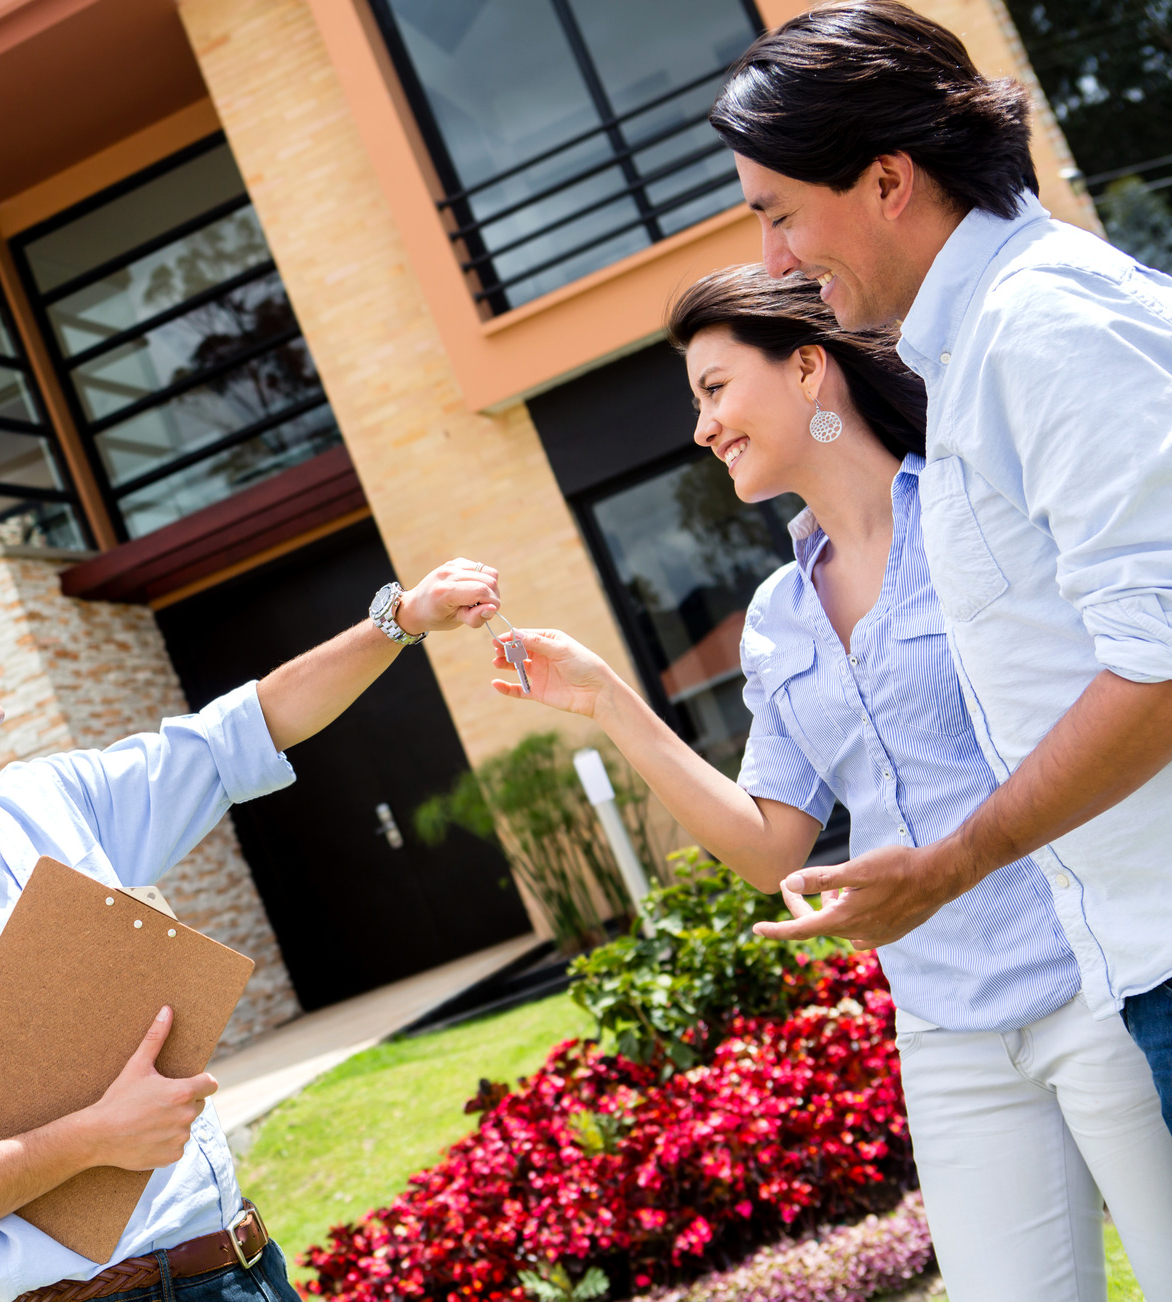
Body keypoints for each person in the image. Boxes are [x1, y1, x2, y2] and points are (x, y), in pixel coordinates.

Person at [490, 266, 1172, 1300]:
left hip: (1096, 982)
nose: (703, 428)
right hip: (946, 1026)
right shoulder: (778, 616)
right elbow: (771, 845)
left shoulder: (974, 517)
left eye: (715, 390)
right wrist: (607, 701)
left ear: (809, 367)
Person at [0, 502, 502, 1302]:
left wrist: (401, 620)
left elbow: (240, 735)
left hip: (248, 1267)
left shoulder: (52, 801)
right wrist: (88, 1141)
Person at [706, 0, 1172, 1137]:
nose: (771, 260)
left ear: (886, 180)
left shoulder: (1042, 326)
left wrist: (956, 862)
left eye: (778, 215)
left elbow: (1162, 660)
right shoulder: (973, 352)